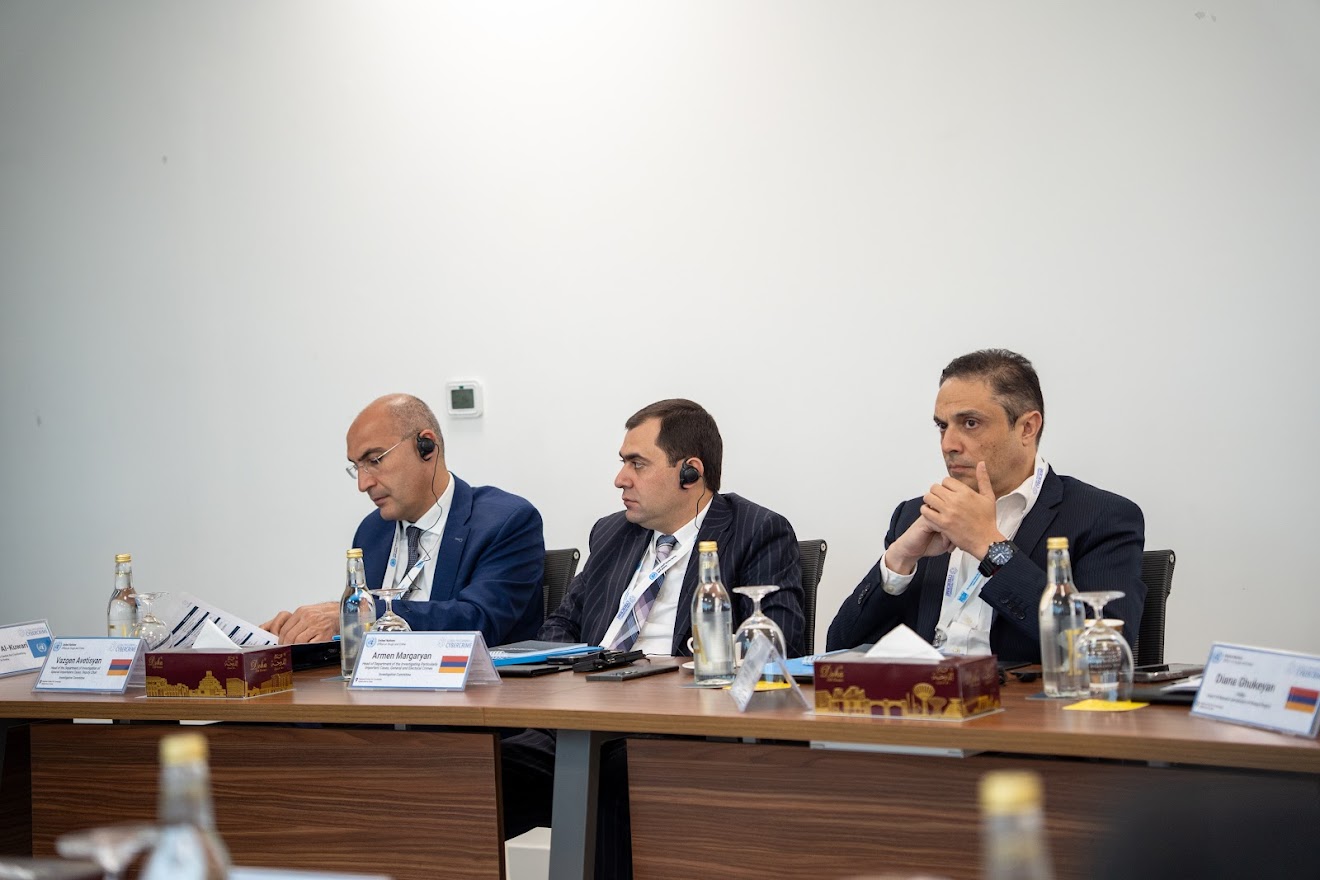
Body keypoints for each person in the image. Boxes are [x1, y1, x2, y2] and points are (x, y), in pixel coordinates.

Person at [503, 398, 804, 880]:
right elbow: (561, 626)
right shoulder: (612, 532)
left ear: (690, 472)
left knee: (616, 777)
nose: (620, 479)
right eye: (622, 463)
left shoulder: (758, 530)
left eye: (637, 463)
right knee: (469, 773)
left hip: (674, 733)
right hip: (577, 720)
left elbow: (776, 645)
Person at [826, 349, 1145, 661]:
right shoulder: (916, 515)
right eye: (942, 426)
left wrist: (990, 547)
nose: (948, 444)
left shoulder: (1101, 517)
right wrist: (898, 560)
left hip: (1020, 696)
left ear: (1027, 428)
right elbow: (838, 650)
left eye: (970, 423)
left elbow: (1106, 654)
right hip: (927, 694)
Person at [262, 393, 545, 647]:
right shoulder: (372, 531)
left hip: (475, 686)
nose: (363, 483)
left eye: (374, 460)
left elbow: (479, 621)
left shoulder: (505, 522)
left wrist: (360, 615)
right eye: (356, 467)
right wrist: (303, 635)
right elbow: (363, 642)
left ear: (426, 447)